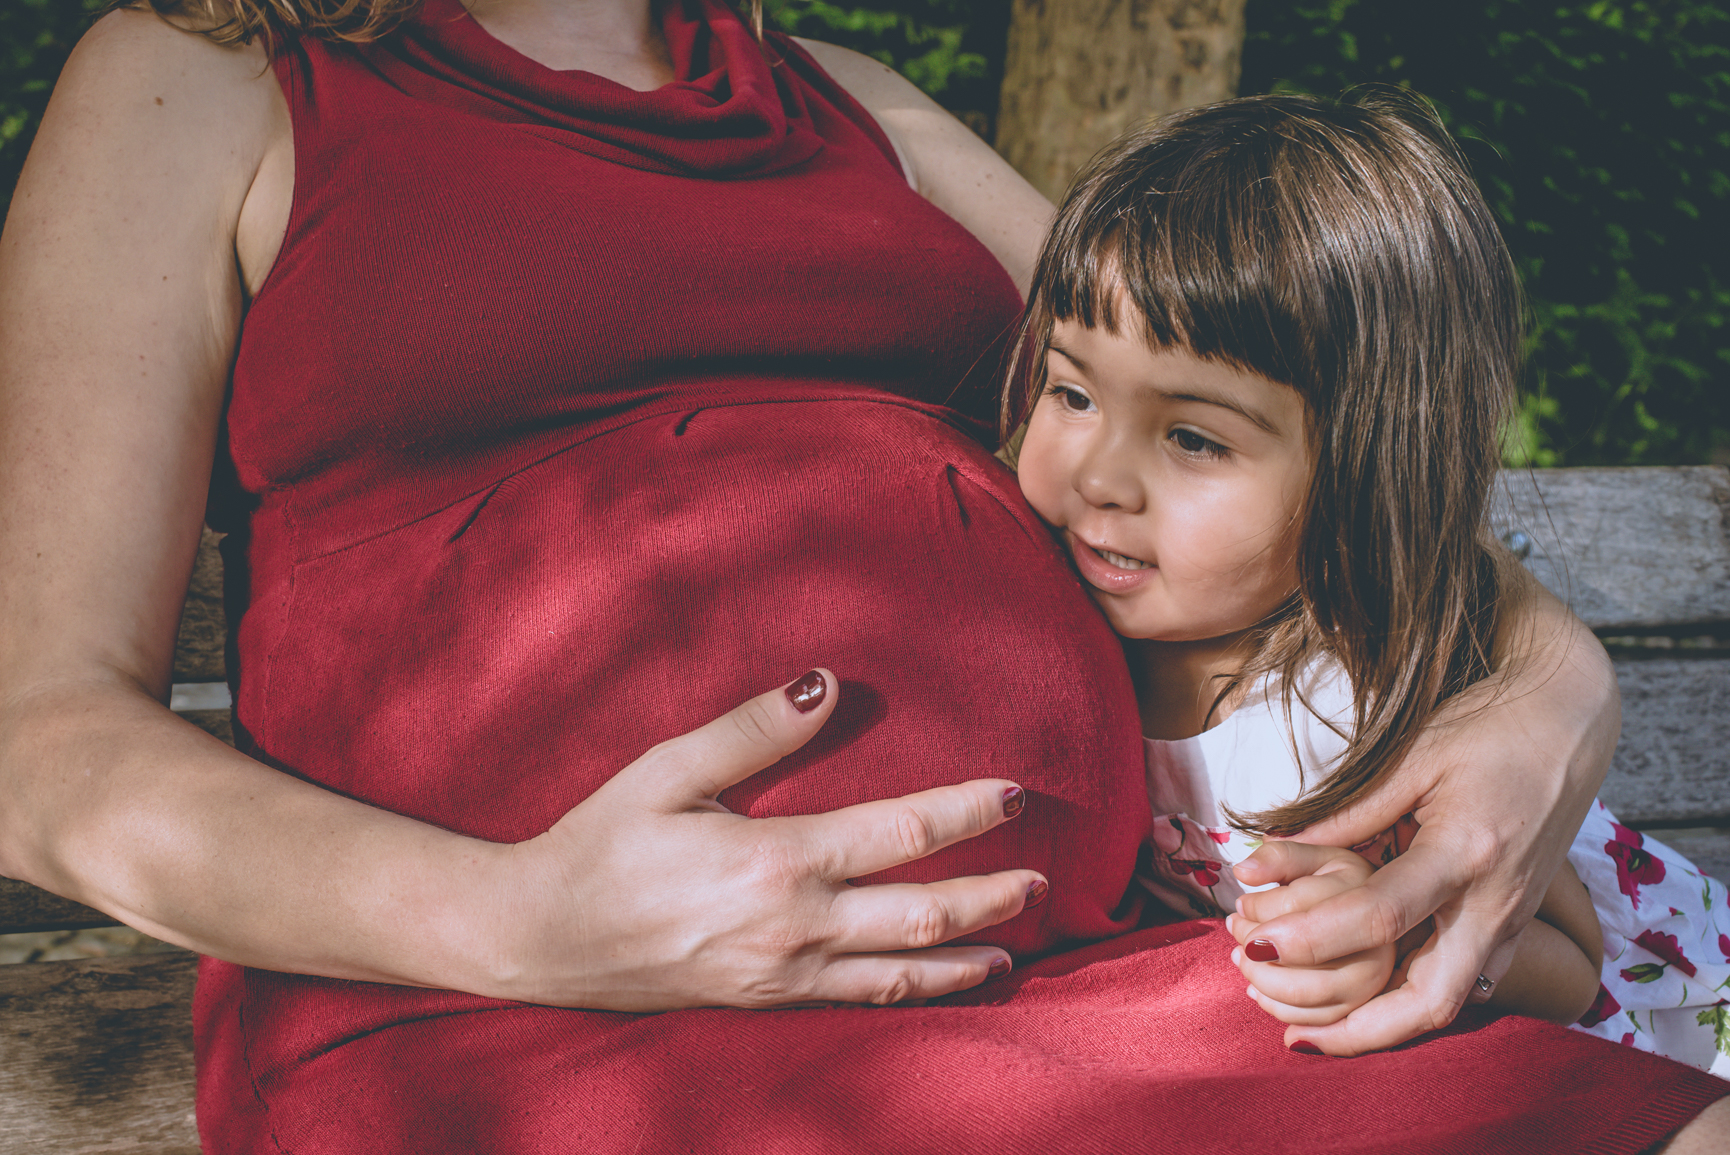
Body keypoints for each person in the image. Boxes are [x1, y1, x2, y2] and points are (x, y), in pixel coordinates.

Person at [0, 0, 1719, 1148]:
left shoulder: (841, 95)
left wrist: (1548, 694)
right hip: (509, 1020)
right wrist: (518, 920)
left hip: (1067, 979)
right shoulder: (203, 73)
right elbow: (37, 740)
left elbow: (1299, 429)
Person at [1007, 89, 1730, 1074]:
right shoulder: (1057, 603)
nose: (1097, 474)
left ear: (1361, 471)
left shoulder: (1345, 704)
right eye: (1072, 391)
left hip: (1668, 1044)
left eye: (1190, 437)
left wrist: (1400, 942)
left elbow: (1574, 962)